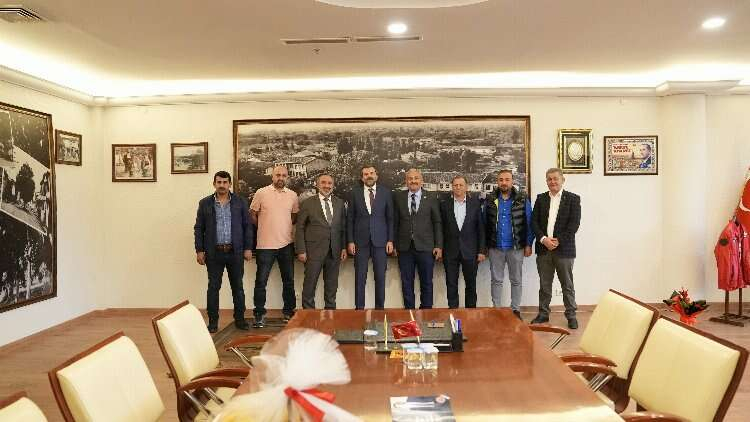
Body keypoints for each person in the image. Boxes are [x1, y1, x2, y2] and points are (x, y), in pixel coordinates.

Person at [194, 171, 254, 333]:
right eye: (219, 182)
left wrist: (248, 248)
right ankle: (213, 322)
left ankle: (240, 320)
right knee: (213, 288)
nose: (222, 185)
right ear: (214, 184)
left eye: (225, 182)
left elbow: (247, 227)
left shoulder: (240, 202)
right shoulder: (205, 203)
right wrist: (199, 250)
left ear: (230, 184)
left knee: (238, 287)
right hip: (214, 253)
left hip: (235, 252)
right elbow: (199, 228)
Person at [530, 168, 582, 329]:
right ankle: (543, 314)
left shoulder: (573, 199)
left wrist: (558, 241)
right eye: (549, 179)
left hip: (564, 250)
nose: (552, 182)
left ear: (562, 180)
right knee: (544, 285)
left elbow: (574, 224)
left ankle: (571, 315)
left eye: (555, 178)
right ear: (546, 181)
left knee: (567, 285)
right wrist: (543, 239)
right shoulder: (541, 199)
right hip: (544, 249)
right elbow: (534, 222)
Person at [250, 165, 299, 328]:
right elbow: (253, 215)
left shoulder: (293, 195)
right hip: (265, 245)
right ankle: (259, 315)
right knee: (261, 282)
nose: (280, 178)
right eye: (278, 175)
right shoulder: (261, 193)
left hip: (286, 244)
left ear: (287, 177)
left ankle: (289, 313)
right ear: (272, 176)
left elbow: (293, 217)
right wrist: (265, 227)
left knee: (289, 281)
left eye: (284, 175)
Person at [485, 170, 533, 320]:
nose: (504, 182)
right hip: (495, 247)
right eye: (501, 180)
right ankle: (496, 310)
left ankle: (515, 310)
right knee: (496, 280)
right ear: (497, 182)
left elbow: (529, 223)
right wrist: (485, 245)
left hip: (516, 247)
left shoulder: (522, 199)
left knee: (516, 280)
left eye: (507, 179)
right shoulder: (490, 199)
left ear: (512, 181)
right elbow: (484, 222)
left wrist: (528, 244)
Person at [295, 173, 347, 309]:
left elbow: (342, 228)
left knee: (331, 287)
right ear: (317, 185)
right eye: (323, 183)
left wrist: (343, 248)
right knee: (310, 285)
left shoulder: (339, 203)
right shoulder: (307, 203)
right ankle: (308, 316)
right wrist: (301, 250)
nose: (327, 186)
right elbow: (300, 227)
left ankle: (330, 314)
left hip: (334, 251)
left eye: (330, 183)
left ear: (333, 186)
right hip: (313, 251)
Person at [393, 169, 443, 309]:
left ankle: (426, 312)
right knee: (406, 283)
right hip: (404, 248)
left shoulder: (431, 197)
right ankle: (410, 313)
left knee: (426, 282)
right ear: (406, 181)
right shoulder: (398, 197)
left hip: (426, 247)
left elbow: (437, 222)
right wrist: (395, 244)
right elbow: (395, 222)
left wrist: (439, 245)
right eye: (410, 178)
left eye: (416, 178)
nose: (413, 181)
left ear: (421, 181)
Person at [346, 165, 394, 309]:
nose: (369, 176)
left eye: (371, 173)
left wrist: (390, 240)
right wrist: (350, 241)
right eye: (366, 174)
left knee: (380, 278)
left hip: (381, 242)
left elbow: (390, 218)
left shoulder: (386, 193)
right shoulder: (354, 193)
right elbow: (350, 219)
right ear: (362, 178)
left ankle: (380, 311)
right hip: (360, 242)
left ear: (376, 176)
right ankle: (359, 311)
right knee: (360, 278)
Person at [440, 175, 486, 308]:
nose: (458, 187)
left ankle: (470, 314)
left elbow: (480, 229)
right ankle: (453, 312)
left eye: (461, 185)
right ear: (452, 187)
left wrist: (481, 251)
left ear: (466, 187)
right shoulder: (444, 204)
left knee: (471, 284)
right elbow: (441, 228)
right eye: (455, 185)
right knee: (451, 284)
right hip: (450, 251)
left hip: (470, 251)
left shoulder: (475, 204)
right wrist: (440, 248)